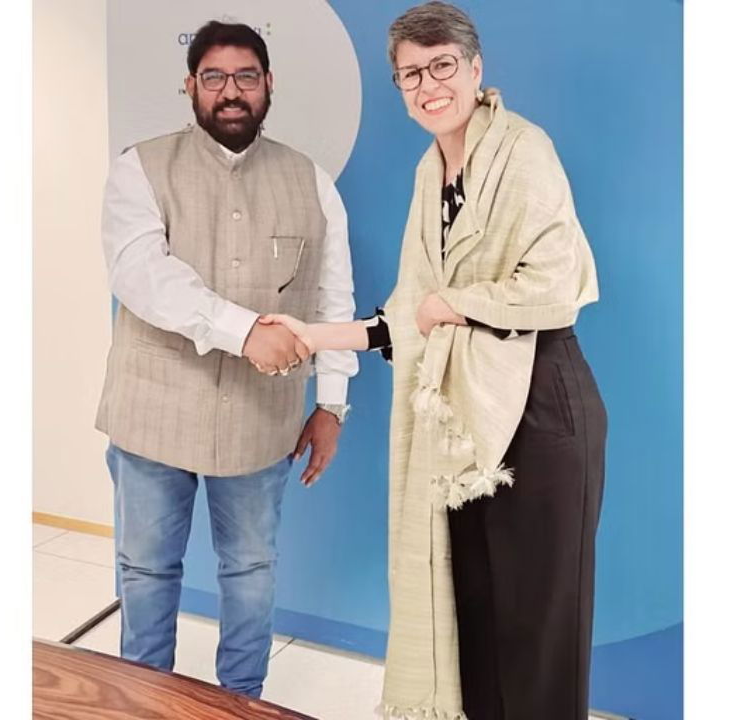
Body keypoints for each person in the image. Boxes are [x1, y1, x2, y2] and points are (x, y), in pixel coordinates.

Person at [259, 3, 606, 718]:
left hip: (540, 401)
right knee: (472, 607)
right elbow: (405, 314)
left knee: (538, 624)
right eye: (410, 74)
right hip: (463, 414)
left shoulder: (523, 149)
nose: (428, 85)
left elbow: (556, 288)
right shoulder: (430, 172)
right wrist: (314, 334)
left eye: (442, 65)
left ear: (477, 71)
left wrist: (452, 306)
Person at [93, 20, 357, 699]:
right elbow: (141, 274)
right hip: (154, 410)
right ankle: (146, 702)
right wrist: (242, 331)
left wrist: (331, 404)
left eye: (245, 77)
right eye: (214, 78)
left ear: (269, 86)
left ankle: (241, 704)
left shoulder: (312, 183)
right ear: (190, 87)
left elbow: (333, 300)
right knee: (147, 571)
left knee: (251, 570)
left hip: (261, 421)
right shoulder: (140, 168)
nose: (230, 92)